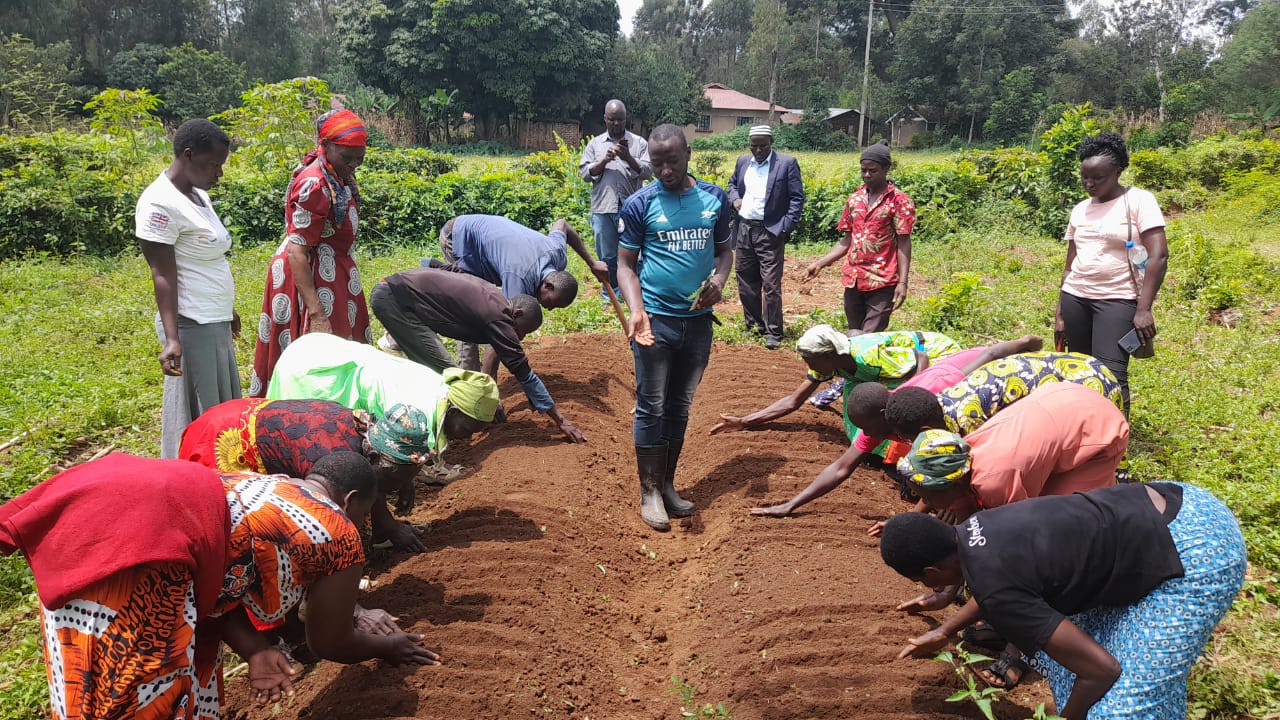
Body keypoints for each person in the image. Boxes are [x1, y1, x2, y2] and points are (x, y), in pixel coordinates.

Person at [0, 451, 438, 720]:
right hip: (146, 562)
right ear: (350, 502)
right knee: (137, 700)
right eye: (365, 513)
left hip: (92, 534)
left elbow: (216, 587)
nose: (361, 524)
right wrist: (389, 647)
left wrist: (255, 650)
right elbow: (330, 642)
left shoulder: (261, 484)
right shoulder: (337, 530)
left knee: (89, 689)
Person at [881, 481, 1246, 719]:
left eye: (924, 582)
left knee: (1118, 711)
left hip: (1198, 550)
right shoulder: (978, 527)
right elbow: (1003, 587)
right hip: (1174, 501)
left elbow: (1102, 670)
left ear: (930, 573)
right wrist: (946, 629)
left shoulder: (993, 586)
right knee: (1064, 664)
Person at [746, 335, 1043, 518]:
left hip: (1000, 376)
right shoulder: (880, 420)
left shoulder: (938, 399)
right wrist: (790, 505)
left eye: (869, 427)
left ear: (886, 413)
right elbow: (841, 467)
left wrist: (1030, 344)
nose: (868, 435)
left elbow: (989, 355)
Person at [617, 123, 733, 532]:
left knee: (680, 405)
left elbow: (724, 253)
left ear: (687, 156)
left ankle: (667, 484)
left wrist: (718, 282)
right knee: (652, 403)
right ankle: (648, 492)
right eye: (657, 162)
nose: (664, 170)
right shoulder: (639, 204)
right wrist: (636, 309)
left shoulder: (714, 199)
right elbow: (625, 265)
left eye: (672, 161)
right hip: (655, 323)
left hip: (698, 324)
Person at [180, 397, 437, 553]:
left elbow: (374, 478)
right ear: (371, 457)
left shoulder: (367, 433)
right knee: (241, 526)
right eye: (398, 476)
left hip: (256, 416)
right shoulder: (330, 461)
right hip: (226, 435)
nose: (401, 484)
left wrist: (391, 515)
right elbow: (317, 519)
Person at [370, 266, 586, 443]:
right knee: (450, 376)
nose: (519, 337)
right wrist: (561, 420)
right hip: (395, 300)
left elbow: (447, 269)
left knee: (444, 369)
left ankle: (396, 343)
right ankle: (432, 447)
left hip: (397, 293)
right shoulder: (498, 317)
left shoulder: (493, 295)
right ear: (517, 314)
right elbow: (523, 372)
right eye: (522, 331)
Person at [136, 118, 241, 459]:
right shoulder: (159, 205)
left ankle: (220, 478)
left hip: (214, 321)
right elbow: (162, 274)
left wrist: (228, 310)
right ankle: (185, 482)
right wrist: (171, 339)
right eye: (214, 164)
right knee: (193, 416)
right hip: (189, 324)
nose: (219, 174)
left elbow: (205, 261)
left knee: (221, 411)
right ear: (187, 154)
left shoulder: (197, 195)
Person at [250, 109, 372, 397]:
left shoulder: (338, 176)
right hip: (310, 277)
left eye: (359, 158)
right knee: (318, 353)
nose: (353, 164)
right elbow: (297, 250)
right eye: (347, 157)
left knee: (338, 351)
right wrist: (316, 311)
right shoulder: (314, 183)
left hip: (334, 273)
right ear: (326, 145)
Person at [896, 382, 1127, 520]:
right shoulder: (959, 453)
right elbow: (968, 508)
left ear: (955, 484)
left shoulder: (994, 482)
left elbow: (1011, 531)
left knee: (1060, 519)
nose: (927, 504)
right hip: (1064, 400)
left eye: (928, 497)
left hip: (1097, 428)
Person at [1055, 132, 1168, 411]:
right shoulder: (1080, 210)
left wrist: (1143, 309)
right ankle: (1083, 432)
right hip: (1075, 298)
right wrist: (1060, 314)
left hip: (1118, 300)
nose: (1089, 184)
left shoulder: (1139, 201)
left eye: (1098, 177)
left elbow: (1159, 255)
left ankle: (1115, 444)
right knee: (1079, 370)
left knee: (1112, 374)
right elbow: (1071, 265)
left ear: (1118, 172)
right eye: (1084, 177)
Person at [711, 324, 961, 444]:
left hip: (939, 353)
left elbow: (922, 358)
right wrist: (744, 421)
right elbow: (793, 401)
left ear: (828, 356)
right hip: (906, 360)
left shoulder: (866, 357)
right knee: (859, 402)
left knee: (896, 403)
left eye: (810, 360)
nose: (808, 365)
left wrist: (911, 395)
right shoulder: (832, 362)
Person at [266, 333, 500, 459]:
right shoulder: (415, 415)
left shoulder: (439, 387)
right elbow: (380, 462)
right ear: (454, 410)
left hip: (321, 350)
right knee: (308, 443)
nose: (467, 437)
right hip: (316, 373)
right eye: (468, 429)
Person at [426, 215, 609, 370]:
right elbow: (501, 327)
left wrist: (592, 263)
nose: (549, 308)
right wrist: (490, 377)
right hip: (459, 237)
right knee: (469, 306)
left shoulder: (557, 256)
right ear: (548, 286)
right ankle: (471, 375)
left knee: (485, 299)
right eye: (551, 303)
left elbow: (562, 224)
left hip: (484, 243)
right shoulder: (519, 276)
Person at [803, 139, 916, 332]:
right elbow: (847, 240)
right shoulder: (855, 199)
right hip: (854, 279)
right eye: (863, 170)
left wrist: (903, 283)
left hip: (882, 280)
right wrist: (819, 263)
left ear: (886, 169)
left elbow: (903, 243)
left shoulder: (899, 201)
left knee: (868, 338)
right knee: (854, 334)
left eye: (873, 170)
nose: (867, 175)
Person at [883, 350, 1127, 439]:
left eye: (910, 440)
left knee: (1098, 451)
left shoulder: (968, 421)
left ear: (925, 430)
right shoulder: (945, 401)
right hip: (1078, 364)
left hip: (1087, 383)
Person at [726, 125, 805, 349]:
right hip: (744, 229)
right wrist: (735, 199)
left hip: (770, 230)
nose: (758, 150)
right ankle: (754, 325)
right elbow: (732, 184)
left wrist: (784, 227)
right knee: (745, 279)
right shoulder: (743, 162)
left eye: (762, 145)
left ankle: (774, 332)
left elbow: (797, 199)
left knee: (770, 284)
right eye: (754, 146)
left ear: (771, 142)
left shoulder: (786, 164)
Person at [579, 99, 652, 298]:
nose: (616, 124)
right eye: (612, 120)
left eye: (620, 120)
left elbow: (647, 171)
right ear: (605, 119)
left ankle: (636, 294)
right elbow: (585, 173)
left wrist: (628, 157)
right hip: (603, 208)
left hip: (632, 209)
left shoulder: (639, 143)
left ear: (625, 119)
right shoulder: (595, 144)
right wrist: (604, 159)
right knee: (607, 256)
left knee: (635, 253)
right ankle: (610, 295)